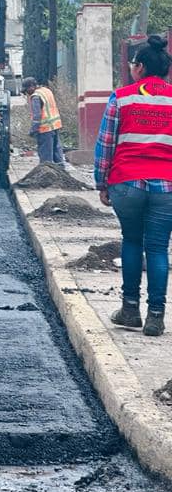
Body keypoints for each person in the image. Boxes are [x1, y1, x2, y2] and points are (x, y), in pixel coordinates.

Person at [95, 35, 172, 337]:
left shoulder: (122, 97)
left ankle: (129, 309)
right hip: (166, 187)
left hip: (127, 183)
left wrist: (102, 183)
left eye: (133, 64)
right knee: (157, 248)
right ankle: (156, 315)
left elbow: (105, 144)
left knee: (131, 241)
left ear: (139, 67)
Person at [22, 77, 65, 164]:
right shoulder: (46, 91)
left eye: (26, 90)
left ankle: (47, 174)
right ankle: (61, 171)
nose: (27, 93)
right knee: (56, 150)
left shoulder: (35, 97)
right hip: (55, 125)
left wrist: (33, 130)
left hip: (45, 128)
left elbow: (37, 116)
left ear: (31, 87)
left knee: (46, 155)